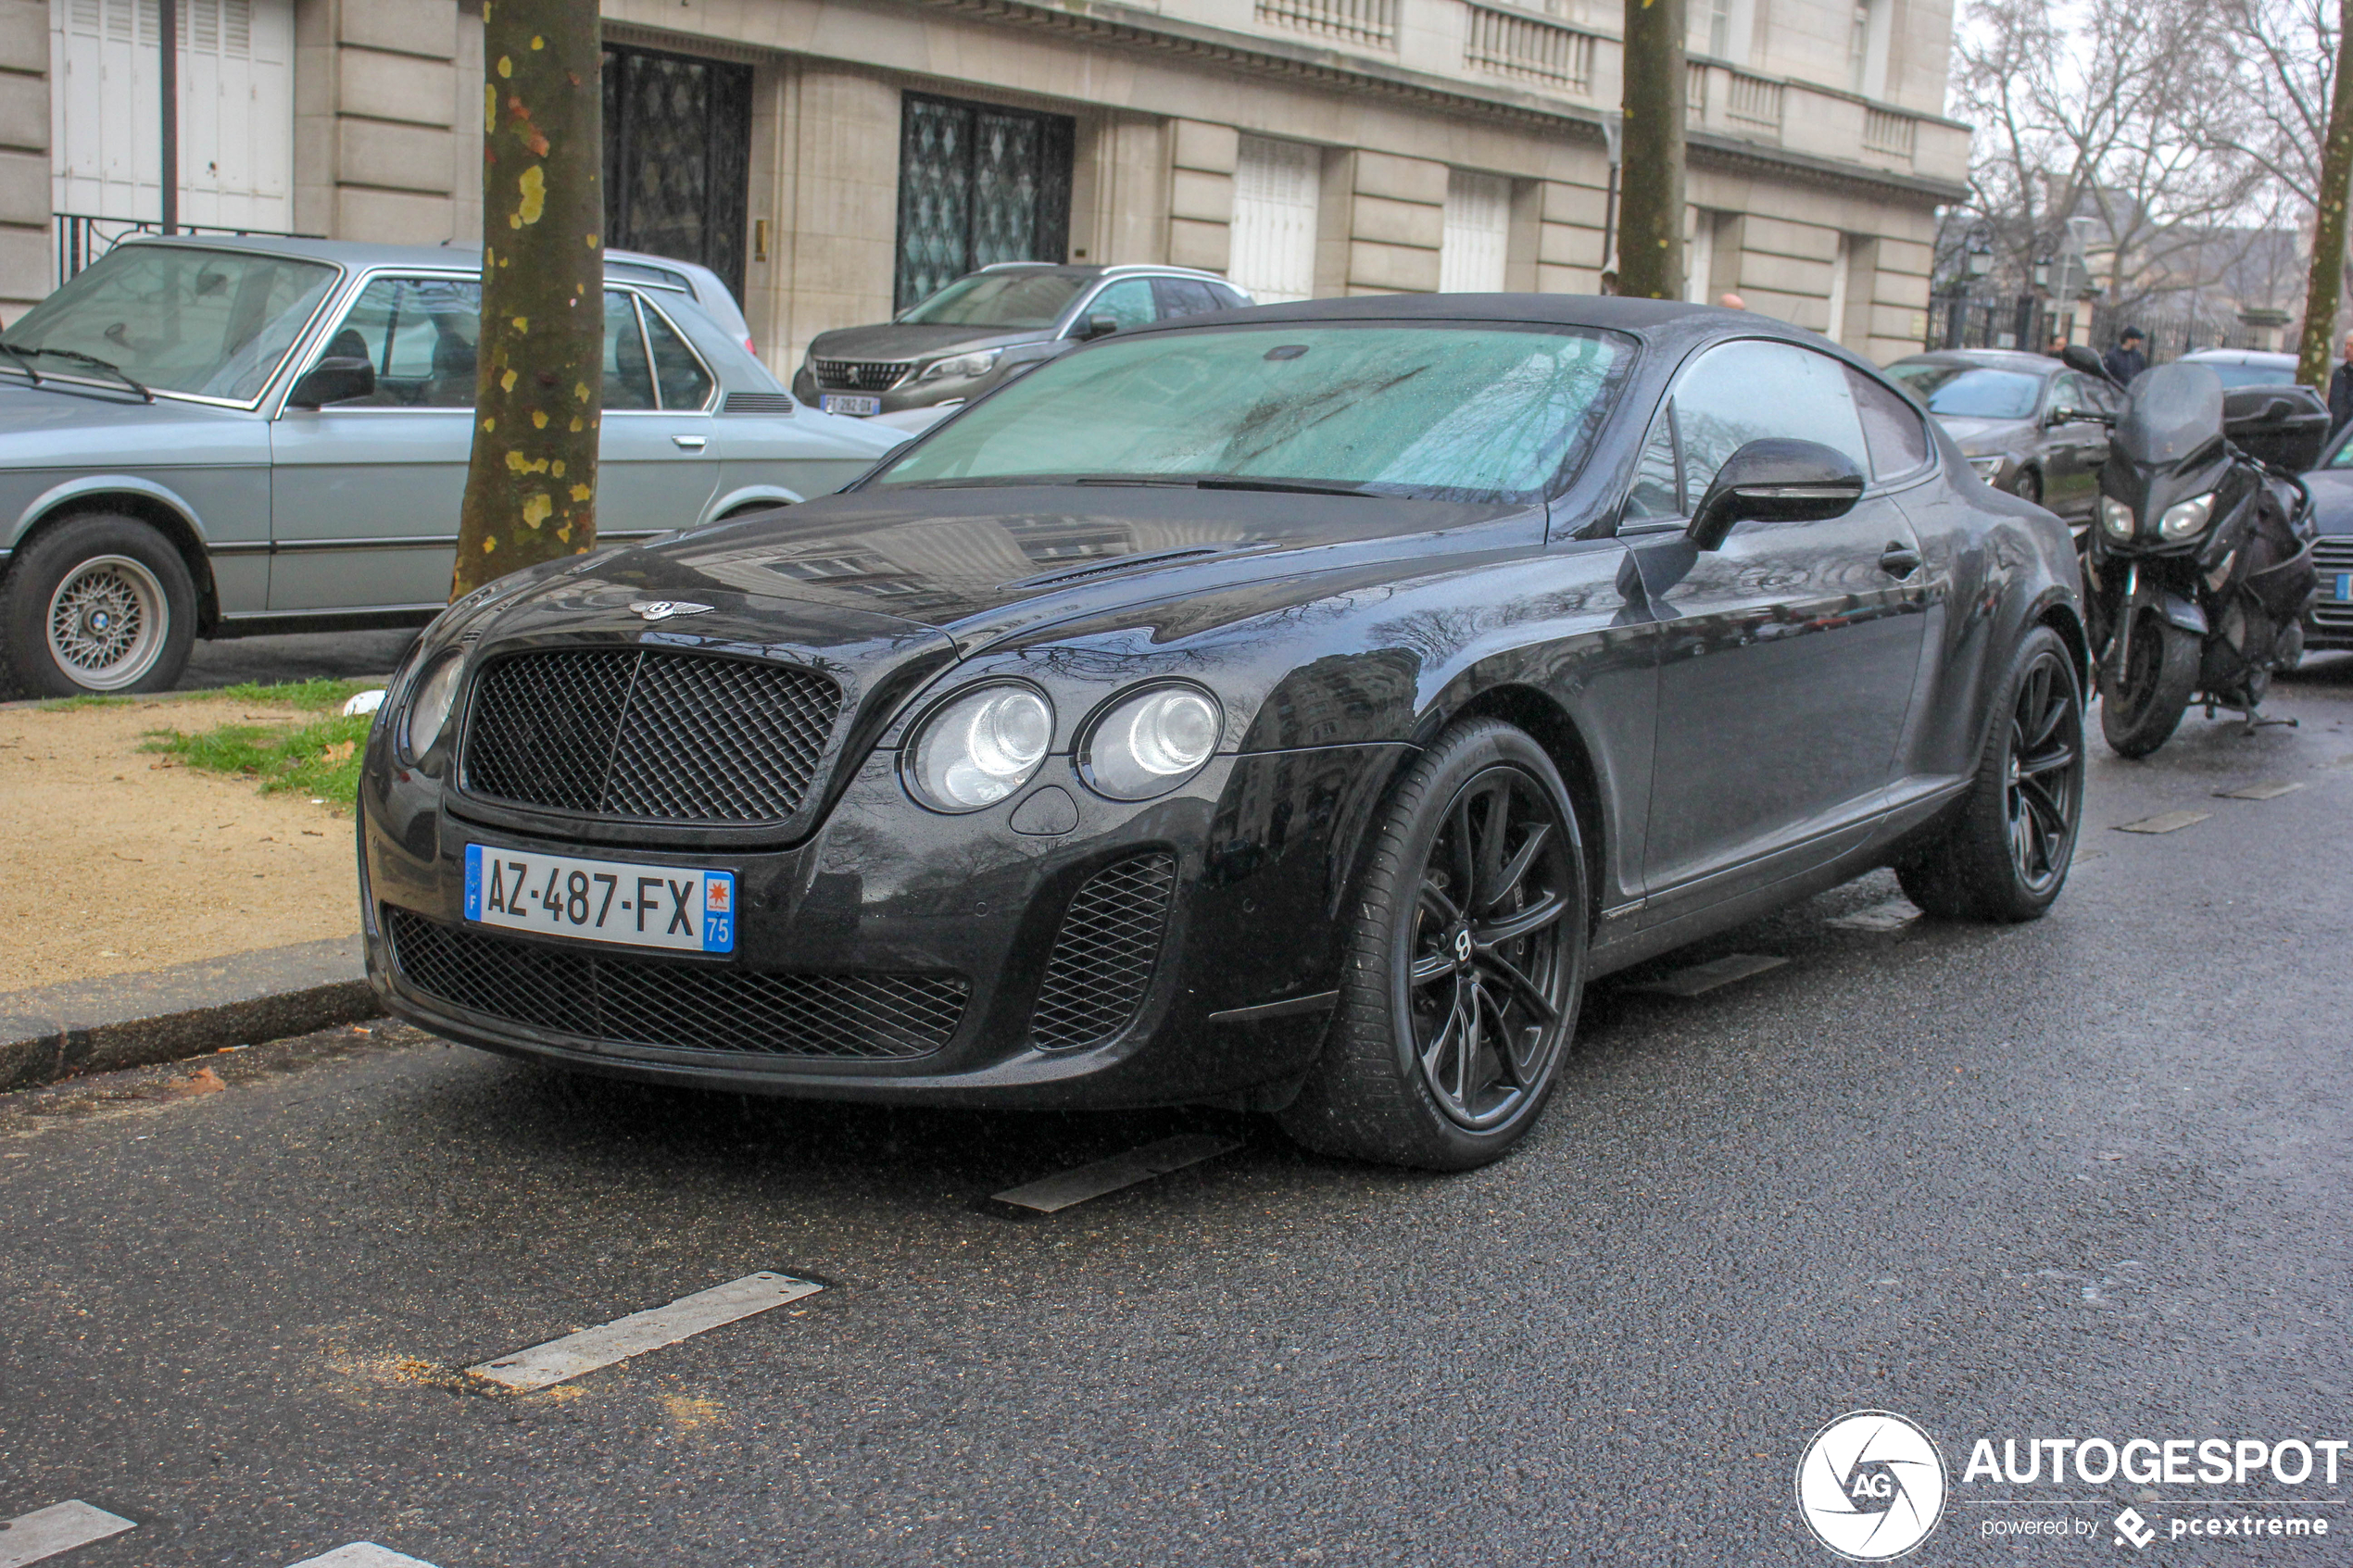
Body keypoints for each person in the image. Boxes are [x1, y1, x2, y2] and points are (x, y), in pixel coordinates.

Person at [2331, 331, 2353, 442]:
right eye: (2346, 345)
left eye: (2352, 345)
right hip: (2337, 436)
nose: (2347, 349)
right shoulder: (2339, 374)